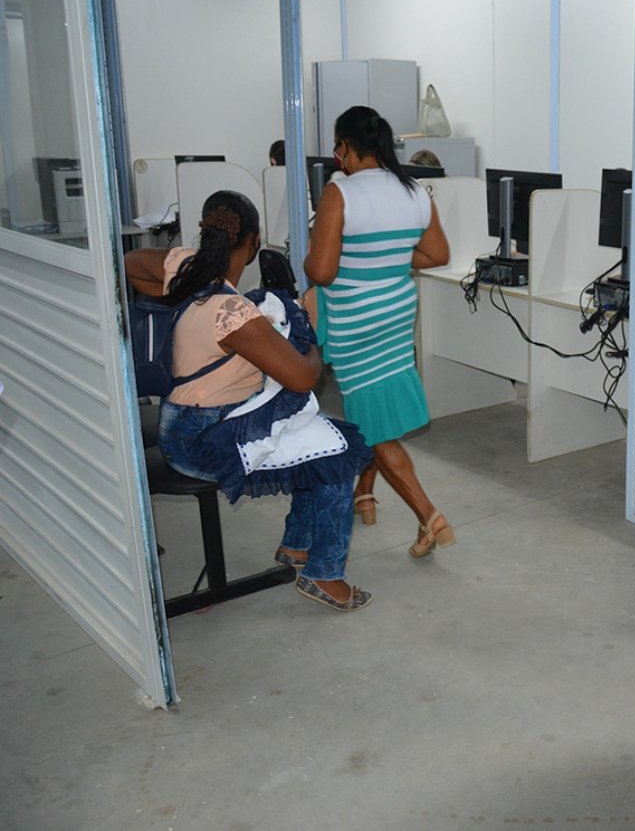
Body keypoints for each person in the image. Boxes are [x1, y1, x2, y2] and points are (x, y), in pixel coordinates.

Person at [148, 190, 374, 612]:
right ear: (253, 244)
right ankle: (324, 574)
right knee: (340, 455)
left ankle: (297, 545)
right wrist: (307, 331)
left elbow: (129, 264)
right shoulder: (231, 312)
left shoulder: (184, 269)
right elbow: (303, 377)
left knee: (322, 437)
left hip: (182, 423)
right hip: (204, 443)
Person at [305, 105, 456, 558]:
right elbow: (437, 255)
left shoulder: (340, 193)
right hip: (395, 315)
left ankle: (430, 517)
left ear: (348, 146)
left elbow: (322, 271)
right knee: (374, 409)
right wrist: (387, 260)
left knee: (373, 425)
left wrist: (320, 253)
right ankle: (365, 494)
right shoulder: (414, 190)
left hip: (356, 321)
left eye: (338, 148)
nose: (338, 157)